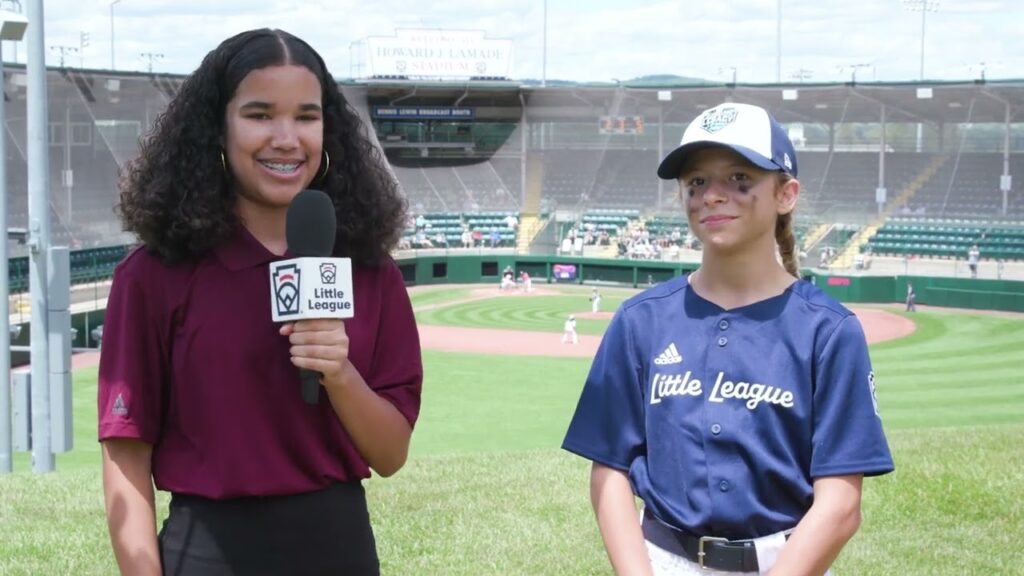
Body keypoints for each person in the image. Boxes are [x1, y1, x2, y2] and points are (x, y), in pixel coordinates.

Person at [97, 29, 423, 576]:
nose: (286, 138)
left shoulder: (372, 273)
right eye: (259, 115)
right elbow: (126, 456)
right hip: (207, 554)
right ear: (218, 129)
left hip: (341, 553)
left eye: (306, 116)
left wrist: (339, 372)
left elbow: (391, 456)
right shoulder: (152, 277)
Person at [562, 102, 894, 576]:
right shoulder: (640, 320)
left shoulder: (828, 330)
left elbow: (840, 504)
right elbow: (609, 469)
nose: (712, 196)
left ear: (786, 194)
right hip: (660, 559)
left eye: (740, 178)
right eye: (697, 181)